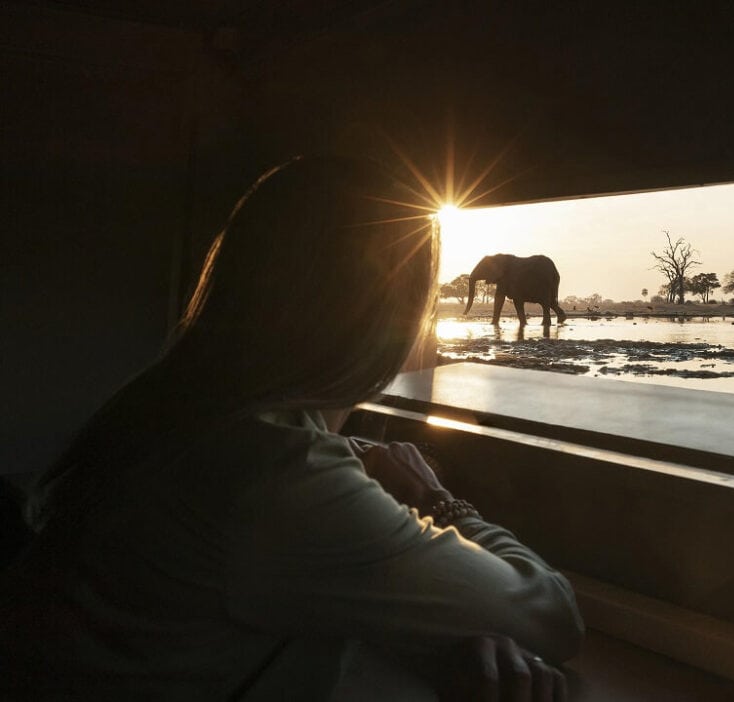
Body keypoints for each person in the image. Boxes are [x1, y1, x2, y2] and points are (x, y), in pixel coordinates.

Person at [0, 156, 584, 700]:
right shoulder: (278, 476)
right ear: (391, 314)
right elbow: (552, 616)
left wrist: (432, 636)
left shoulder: (165, 408)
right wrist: (437, 497)